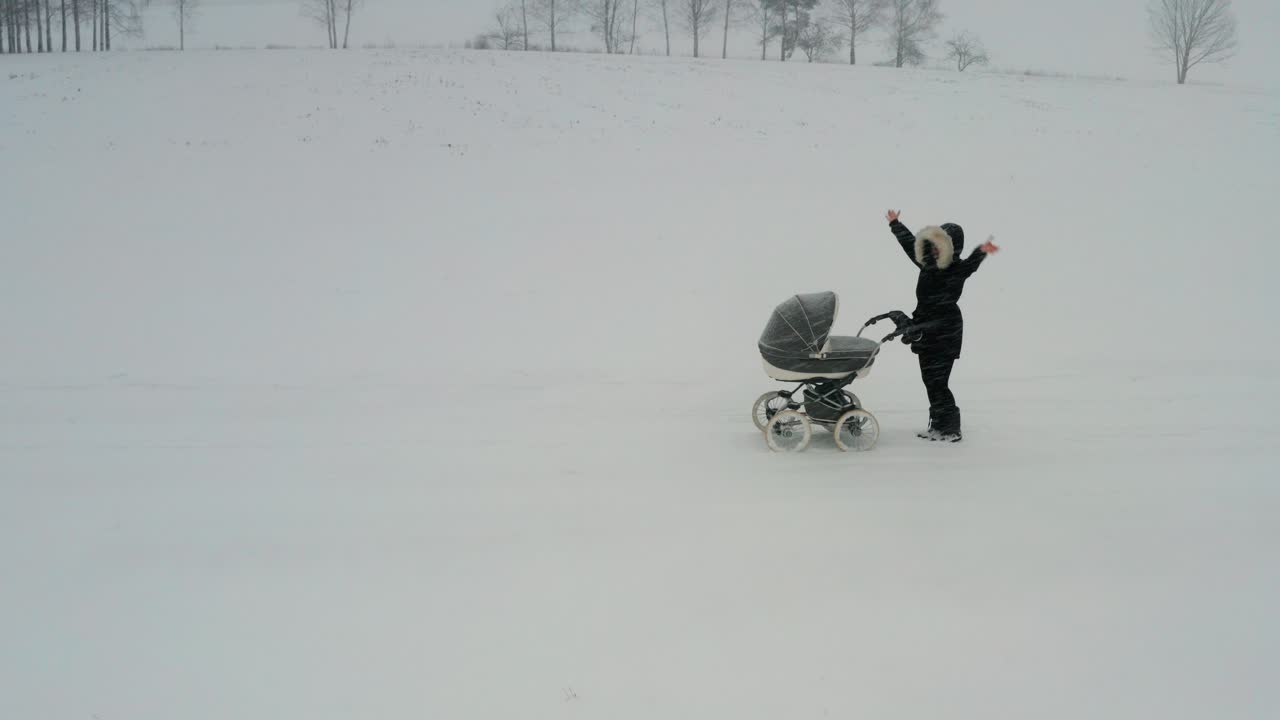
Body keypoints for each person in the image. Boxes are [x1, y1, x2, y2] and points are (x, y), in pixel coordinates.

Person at [886, 210, 1000, 442]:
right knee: (930, 381)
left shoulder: (956, 270)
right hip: (925, 328)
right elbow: (910, 244)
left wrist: (982, 251)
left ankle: (951, 429)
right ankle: (938, 426)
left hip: (945, 330)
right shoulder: (927, 265)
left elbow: (971, 264)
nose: (936, 248)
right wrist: (896, 224)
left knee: (939, 382)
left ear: (952, 247)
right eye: (935, 243)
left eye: (942, 244)